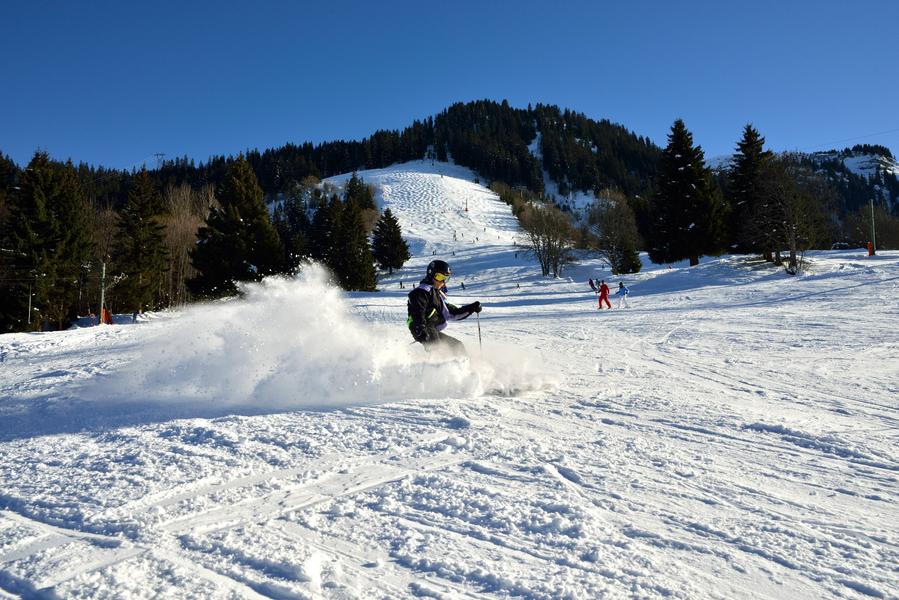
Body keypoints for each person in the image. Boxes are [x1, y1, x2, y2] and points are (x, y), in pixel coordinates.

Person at [407, 260, 482, 356]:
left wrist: (472, 308)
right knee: (439, 351)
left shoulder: (436, 294)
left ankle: (466, 368)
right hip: (424, 330)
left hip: (431, 330)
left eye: (446, 279)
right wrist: (421, 330)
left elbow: (452, 313)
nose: (443, 282)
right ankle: (437, 369)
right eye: (440, 277)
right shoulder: (421, 292)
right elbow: (417, 312)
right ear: (431, 275)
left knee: (458, 346)